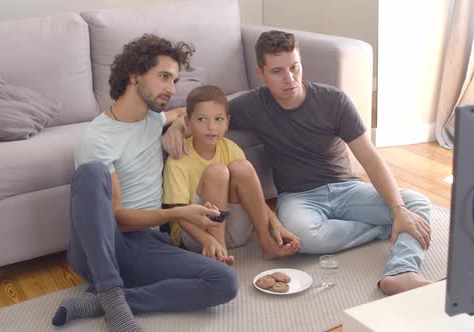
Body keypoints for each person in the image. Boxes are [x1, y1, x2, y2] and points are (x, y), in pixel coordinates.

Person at [163, 30, 433, 296]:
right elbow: (206, 114)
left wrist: (398, 209)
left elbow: (371, 160)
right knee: (303, 235)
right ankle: (383, 228)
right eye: (277, 71)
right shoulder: (253, 104)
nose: (289, 79)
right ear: (261, 74)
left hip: (346, 189)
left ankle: (401, 270)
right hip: (299, 198)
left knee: (416, 204)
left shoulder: (333, 100)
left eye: (295, 67)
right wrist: (177, 126)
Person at [51, 35, 238, 332]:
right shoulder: (96, 138)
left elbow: (181, 114)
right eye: (164, 77)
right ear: (135, 75)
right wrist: (178, 212)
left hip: (148, 245)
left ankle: (103, 302)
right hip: (105, 246)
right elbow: (117, 219)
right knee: (90, 173)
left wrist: (177, 124)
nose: (171, 88)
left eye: (175, 80)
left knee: (224, 281)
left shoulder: (154, 119)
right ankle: (113, 300)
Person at [162, 85, 301, 265]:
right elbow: (178, 215)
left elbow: (254, 197)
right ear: (187, 122)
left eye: (218, 119)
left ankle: (267, 244)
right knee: (217, 172)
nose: (211, 127)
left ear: (227, 122)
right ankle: (219, 255)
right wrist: (207, 240)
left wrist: (276, 224)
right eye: (202, 119)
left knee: (242, 167)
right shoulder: (178, 159)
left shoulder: (231, 148)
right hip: (196, 236)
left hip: (234, 229)